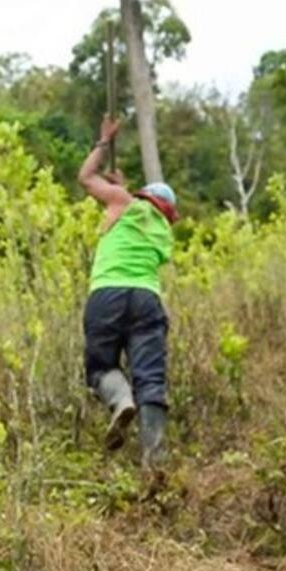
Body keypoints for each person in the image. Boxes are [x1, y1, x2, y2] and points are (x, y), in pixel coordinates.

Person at [77, 116, 177, 470]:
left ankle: (120, 400)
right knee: (150, 375)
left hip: (107, 294)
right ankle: (154, 457)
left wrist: (104, 141)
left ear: (141, 196)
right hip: (146, 300)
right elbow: (139, 209)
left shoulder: (123, 202)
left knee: (101, 365)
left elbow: (87, 178)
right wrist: (124, 189)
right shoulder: (164, 230)